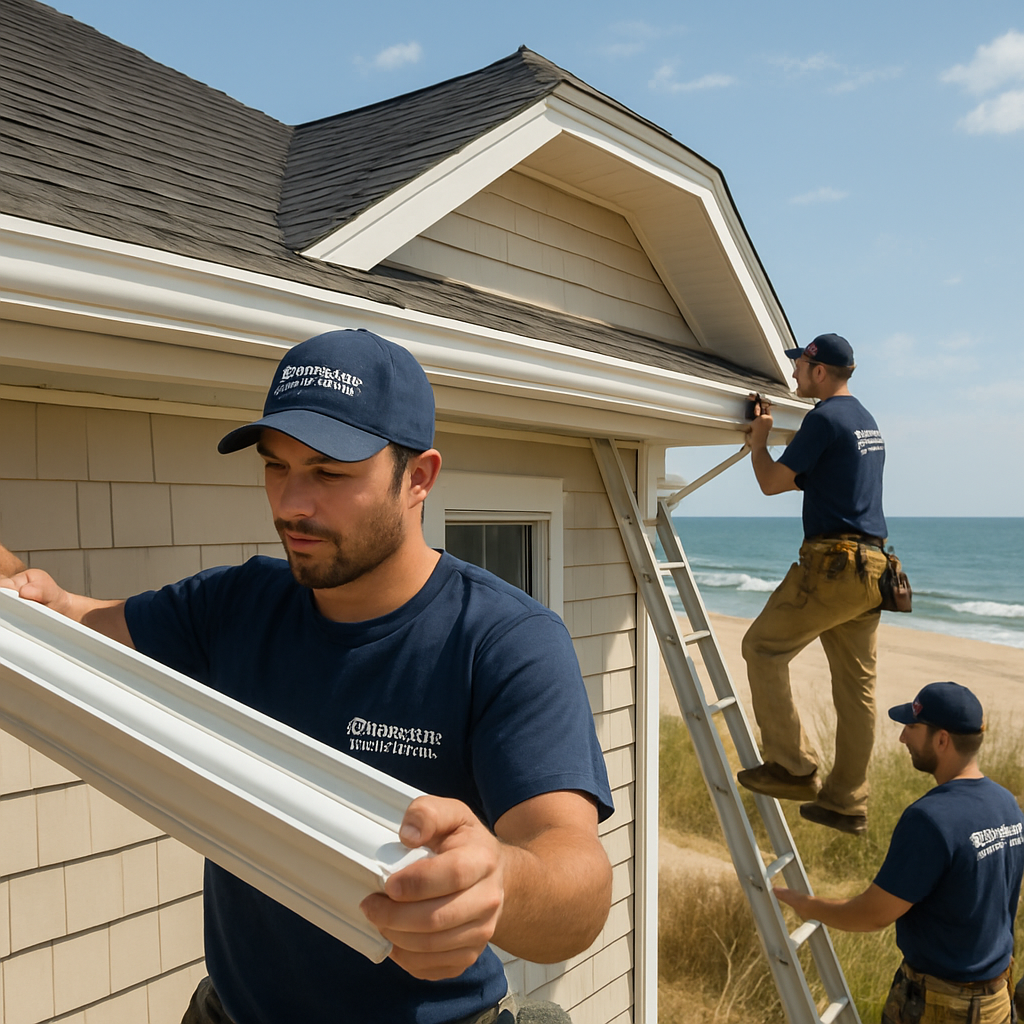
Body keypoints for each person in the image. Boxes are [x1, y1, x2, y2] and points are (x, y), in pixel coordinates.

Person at [0, 328, 614, 1024]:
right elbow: (68, 624)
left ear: (418, 477)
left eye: (328, 472)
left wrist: (498, 879)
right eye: (276, 466)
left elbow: (576, 883)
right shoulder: (235, 604)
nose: (292, 503)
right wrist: (29, 593)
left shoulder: (505, 642)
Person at [775, 682, 1024, 1024]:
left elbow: (874, 914)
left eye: (912, 727)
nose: (902, 738)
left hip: (942, 1007)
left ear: (942, 739)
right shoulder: (1007, 804)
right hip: (995, 1001)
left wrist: (809, 907)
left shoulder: (931, 818)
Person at [737, 332, 888, 835]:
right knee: (856, 691)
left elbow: (772, 482)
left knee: (761, 648)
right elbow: (823, 479)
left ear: (820, 370)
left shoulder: (823, 419)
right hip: (874, 570)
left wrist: (758, 443)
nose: (795, 374)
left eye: (800, 366)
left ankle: (792, 767)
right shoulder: (865, 421)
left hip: (832, 566)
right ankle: (847, 801)